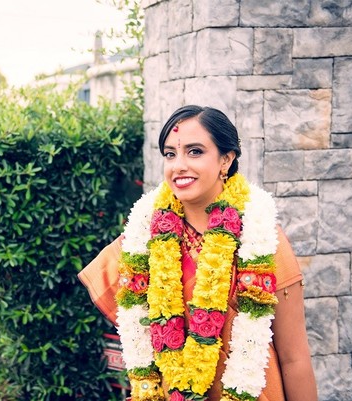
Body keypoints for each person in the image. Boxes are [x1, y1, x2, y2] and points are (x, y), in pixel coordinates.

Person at [78, 105, 317, 401]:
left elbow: (294, 358)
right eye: (170, 154)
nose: (179, 165)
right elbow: (137, 340)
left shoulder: (263, 238)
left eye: (194, 152)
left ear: (226, 159)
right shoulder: (140, 240)